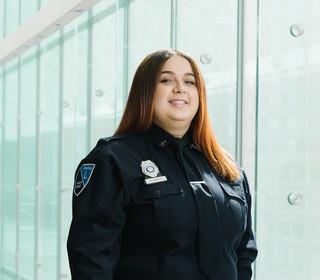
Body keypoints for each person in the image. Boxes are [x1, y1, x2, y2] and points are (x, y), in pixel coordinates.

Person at [67, 48, 258, 280]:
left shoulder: (225, 167)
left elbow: (244, 254)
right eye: (166, 80)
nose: (180, 88)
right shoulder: (112, 160)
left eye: (190, 81)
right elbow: (91, 262)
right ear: (145, 92)